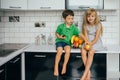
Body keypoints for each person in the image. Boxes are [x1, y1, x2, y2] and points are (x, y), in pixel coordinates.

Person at [54, 9, 87, 76]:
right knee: (59, 51)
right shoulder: (60, 26)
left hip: (67, 43)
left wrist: (86, 40)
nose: (71, 20)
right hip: (59, 41)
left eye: (72, 18)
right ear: (64, 19)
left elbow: (80, 34)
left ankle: (64, 66)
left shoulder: (74, 28)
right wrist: (59, 37)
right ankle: (56, 67)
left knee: (68, 50)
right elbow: (56, 33)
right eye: (69, 18)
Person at [80, 8, 106, 80]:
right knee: (83, 51)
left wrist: (91, 44)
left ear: (95, 17)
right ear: (86, 17)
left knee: (91, 52)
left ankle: (85, 74)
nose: (90, 18)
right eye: (88, 16)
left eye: (92, 16)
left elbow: (96, 38)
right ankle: (88, 72)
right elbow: (86, 36)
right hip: (88, 41)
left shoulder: (98, 25)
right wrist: (87, 43)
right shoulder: (85, 25)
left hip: (96, 42)